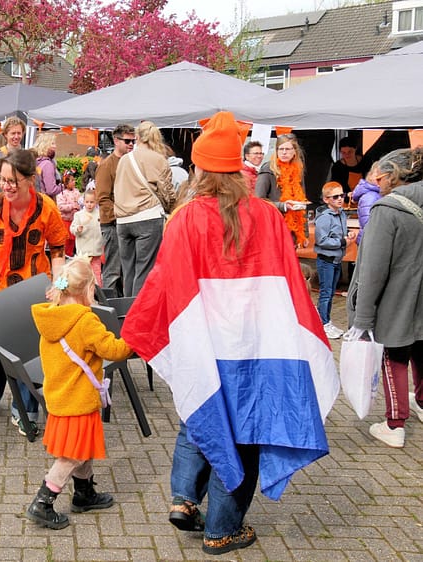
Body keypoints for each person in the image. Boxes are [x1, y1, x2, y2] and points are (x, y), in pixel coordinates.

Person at [121, 111, 337, 557]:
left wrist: (141, 330)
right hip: (260, 348)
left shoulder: (184, 219)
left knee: (201, 419)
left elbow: (163, 284)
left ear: (199, 169)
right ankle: (222, 529)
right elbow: (290, 285)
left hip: (206, 346)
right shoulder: (268, 216)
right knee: (247, 432)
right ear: (238, 169)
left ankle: (184, 499)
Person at [0, 149, 67, 437]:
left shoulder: (46, 207)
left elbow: (58, 249)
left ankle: (25, 410)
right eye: (3, 179)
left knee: (28, 350)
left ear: (30, 180)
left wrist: (58, 286)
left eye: (13, 181)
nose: (7, 186)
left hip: (33, 290)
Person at [25, 257, 131, 529]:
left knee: (82, 448)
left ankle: (84, 494)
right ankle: (43, 501)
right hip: (79, 398)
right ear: (87, 290)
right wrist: (134, 337)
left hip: (60, 396)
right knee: (72, 454)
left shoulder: (51, 316)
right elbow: (114, 350)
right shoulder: (85, 321)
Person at [346, 147, 423, 449]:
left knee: (394, 357)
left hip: (396, 300)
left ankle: (394, 424)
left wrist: (362, 317)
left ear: (391, 175)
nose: (375, 179)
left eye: (378, 173)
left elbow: (372, 269)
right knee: (421, 350)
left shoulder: (386, 209)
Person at [113, 121, 174, 296]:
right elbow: (167, 191)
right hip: (148, 217)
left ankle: (126, 309)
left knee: (128, 270)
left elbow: (117, 188)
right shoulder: (158, 159)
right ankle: (137, 312)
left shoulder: (124, 159)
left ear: (138, 137)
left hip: (123, 220)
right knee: (144, 270)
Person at [95, 124, 135, 297]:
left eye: (133, 141)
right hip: (112, 224)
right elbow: (103, 198)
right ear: (116, 141)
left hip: (126, 221)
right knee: (113, 270)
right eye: (127, 141)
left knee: (125, 271)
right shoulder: (107, 165)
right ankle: (109, 307)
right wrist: (120, 215)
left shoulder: (131, 162)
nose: (131, 144)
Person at [313, 181, 355, 340]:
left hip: (336, 259)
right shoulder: (324, 218)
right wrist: (342, 242)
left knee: (330, 292)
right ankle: (323, 323)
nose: (340, 199)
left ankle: (326, 320)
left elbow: (340, 231)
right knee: (326, 292)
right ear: (326, 199)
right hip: (327, 260)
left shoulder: (341, 213)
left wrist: (349, 233)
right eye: (335, 196)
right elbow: (321, 240)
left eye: (342, 195)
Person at [255, 134, 309, 247]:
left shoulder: (298, 170)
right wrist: (283, 206)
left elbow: (302, 202)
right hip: (273, 228)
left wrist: (304, 234)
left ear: (295, 151)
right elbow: (257, 200)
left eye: (288, 149)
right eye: (281, 149)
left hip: (292, 230)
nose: (284, 152)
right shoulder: (268, 169)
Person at [0, 117, 25, 197]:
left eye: (19, 133)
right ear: (6, 134)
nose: (16, 137)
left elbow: (35, 184)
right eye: (13, 133)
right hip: (4, 202)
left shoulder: (28, 156)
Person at [70, 190, 103, 285]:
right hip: (83, 252)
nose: (89, 204)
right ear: (83, 202)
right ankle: (83, 293)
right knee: (83, 274)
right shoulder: (79, 215)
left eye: (92, 202)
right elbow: (72, 228)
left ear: (96, 201)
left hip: (96, 251)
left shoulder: (99, 214)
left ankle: (97, 292)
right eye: (87, 202)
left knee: (96, 273)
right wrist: (77, 229)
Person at [350, 163, 382, 245]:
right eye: (378, 176)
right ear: (371, 176)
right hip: (370, 242)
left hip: (369, 240)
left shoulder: (375, 194)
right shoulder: (370, 196)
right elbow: (368, 224)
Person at [55, 170, 80, 257]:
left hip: (74, 220)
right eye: (72, 181)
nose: (74, 182)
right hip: (65, 221)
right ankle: (65, 255)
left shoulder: (77, 192)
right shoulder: (62, 194)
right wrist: (72, 206)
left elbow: (80, 202)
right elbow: (60, 207)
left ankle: (70, 254)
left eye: (74, 180)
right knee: (66, 239)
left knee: (73, 239)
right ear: (66, 183)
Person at [34, 132, 62, 197]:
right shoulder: (47, 164)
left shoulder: (37, 161)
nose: (55, 146)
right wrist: (63, 187)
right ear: (45, 145)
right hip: (46, 202)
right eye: (52, 143)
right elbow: (51, 190)